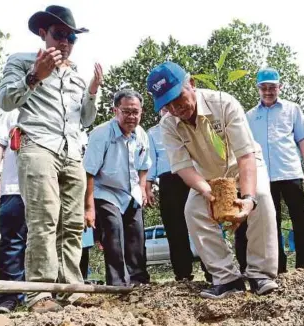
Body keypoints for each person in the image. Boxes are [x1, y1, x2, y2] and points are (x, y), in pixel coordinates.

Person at [0, 5, 103, 312]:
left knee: (72, 225)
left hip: (71, 152)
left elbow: (85, 119)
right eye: (59, 34)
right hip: (38, 146)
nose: (66, 42)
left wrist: (93, 93)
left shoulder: (76, 77)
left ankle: (71, 288)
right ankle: (40, 293)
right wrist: (35, 76)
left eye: (71, 37)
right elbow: (5, 101)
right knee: (43, 220)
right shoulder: (20, 62)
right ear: (44, 34)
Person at [146, 61, 278, 299]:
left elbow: (246, 155)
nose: (176, 109)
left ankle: (261, 274)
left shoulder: (223, 103)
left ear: (192, 84)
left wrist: (247, 198)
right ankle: (227, 278)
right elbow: (183, 167)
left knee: (261, 198)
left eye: (178, 98)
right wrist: (208, 192)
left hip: (242, 166)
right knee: (193, 210)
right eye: (168, 105)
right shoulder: (169, 125)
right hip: (208, 175)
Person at [237, 67, 304, 273]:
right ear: (258, 89)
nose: (268, 92)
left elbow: (302, 138)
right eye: (264, 88)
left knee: (300, 219)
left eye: (272, 87)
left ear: (280, 87)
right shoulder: (250, 116)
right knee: (271, 223)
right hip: (263, 178)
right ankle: (278, 267)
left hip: (290, 172)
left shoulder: (292, 109)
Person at [83, 89, 151, 286]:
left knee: (136, 234)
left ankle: (138, 280)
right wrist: (89, 208)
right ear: (115, 111)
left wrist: (143, 188)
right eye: (126, 112)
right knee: (113, 229)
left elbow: (144, 165)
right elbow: (89, 172)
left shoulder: (141, 135)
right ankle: (117, 283)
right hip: (105, 191)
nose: (131, 117)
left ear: (141, 113)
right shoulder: (101, 134)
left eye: (135, 112)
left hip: (131, 192)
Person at [146, 111, 212, 282]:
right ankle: (182, 274)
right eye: (164, 108)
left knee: (203, 224)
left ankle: (212, 271)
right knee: (175, 229)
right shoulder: (153, 133)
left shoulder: (190, 125)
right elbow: (151, 161)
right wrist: (148, 185)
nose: (167, 111)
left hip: (195, 177)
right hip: (169, 180)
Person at [0, 109, 27, 314]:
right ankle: (8, 297)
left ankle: (39, 294)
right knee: (12, 241)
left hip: (47, 191)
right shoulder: (13, 113)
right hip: (14, 187)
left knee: (45, 242)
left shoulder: (56, 108)